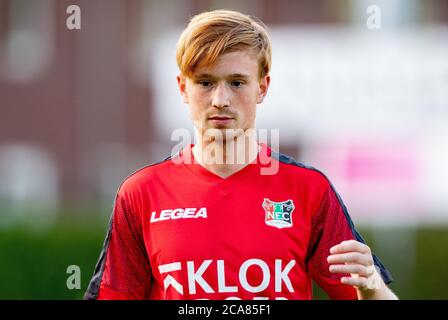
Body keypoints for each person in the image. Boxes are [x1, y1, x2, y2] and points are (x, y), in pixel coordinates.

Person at [85, 9, 398, 300]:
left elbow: (369, 293)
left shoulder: (309, 191)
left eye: (236, 83)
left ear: (262, 88)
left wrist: (372, 289)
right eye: (205, 82)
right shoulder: (142, 194)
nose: (220, 99)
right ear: (183, 88)